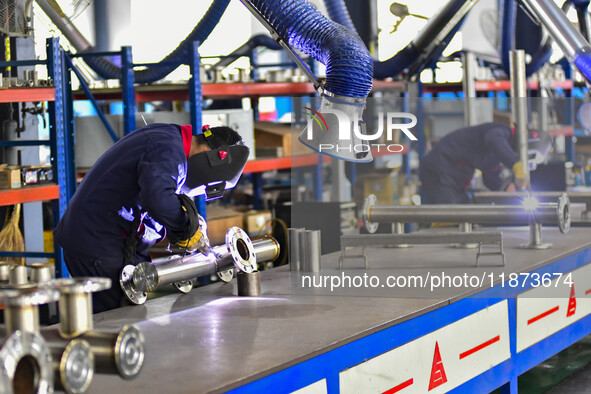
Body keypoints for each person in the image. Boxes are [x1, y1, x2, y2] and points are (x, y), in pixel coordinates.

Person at [54, 123, 249, 313]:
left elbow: (150, 199)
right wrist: (184, 227)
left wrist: (185, 223)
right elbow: (158, 197)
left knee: (127, 311)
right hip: (98, 241)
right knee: (118, 319)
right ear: (213, 156)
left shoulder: (171, 139)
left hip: (106, 237)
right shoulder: (169, 150)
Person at [419, 122, 527, 204]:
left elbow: (490, 178)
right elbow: (494, 140)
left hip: (453, 181)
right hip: (440, 171)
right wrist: (515, 164)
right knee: (448, 218)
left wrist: (507, 188)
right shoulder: (502, 131)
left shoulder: (494, 156)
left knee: (466, 216)